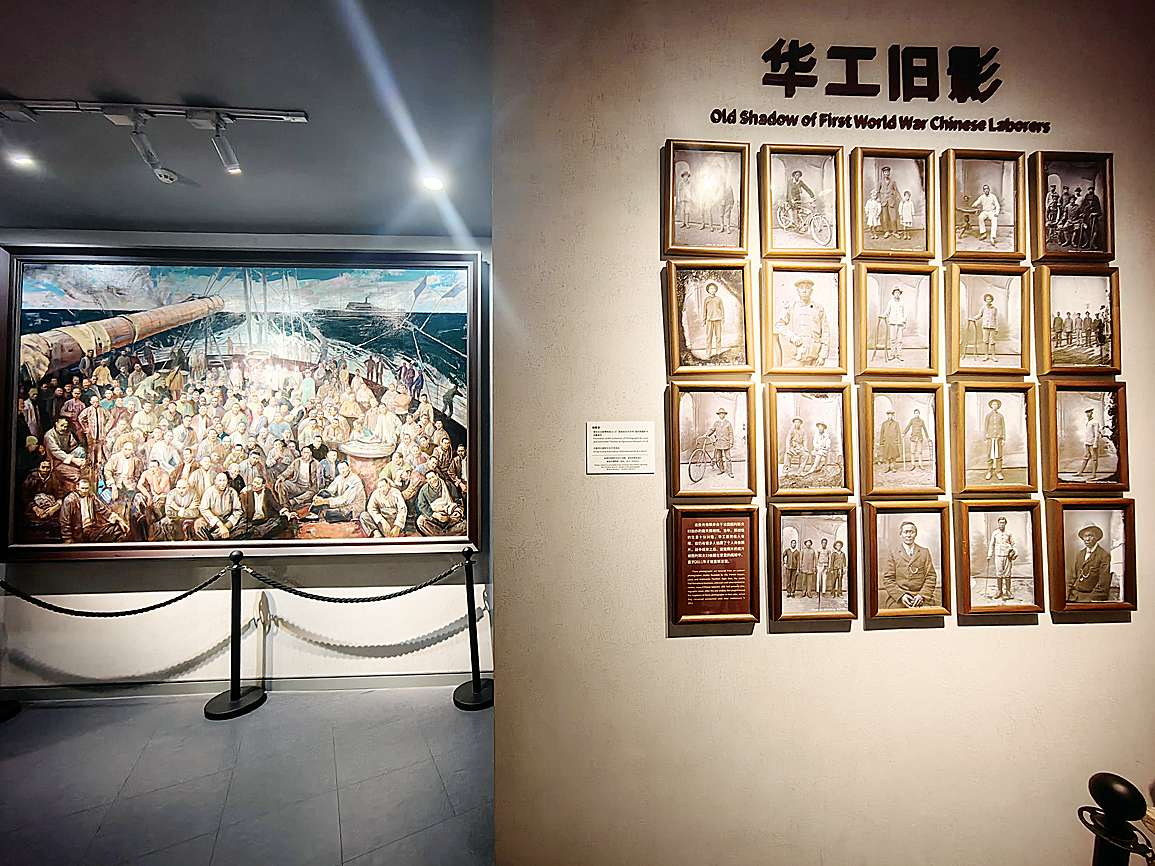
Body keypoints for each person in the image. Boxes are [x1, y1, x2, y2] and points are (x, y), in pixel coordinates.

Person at [879, 520, 938, 610]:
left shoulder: (924, 552)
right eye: (906, 532)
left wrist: (922, 595)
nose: (909, 535)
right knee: (895, 613)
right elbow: (888, 579)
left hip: (921, 596)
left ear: (915, 534)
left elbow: (931, 577)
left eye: (911, 532)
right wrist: (901, 595)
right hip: (899, 597)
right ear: (901, 534)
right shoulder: (893, 553)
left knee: (929, 612)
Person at [776, 278, 830, 368]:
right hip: (796, 356)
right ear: (797, 290)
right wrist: (792, 337)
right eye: (801, 288)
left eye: (807, 288)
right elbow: (779, 325)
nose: (804, 291)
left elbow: (825, 332)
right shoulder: (791, 306)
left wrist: (823, 355)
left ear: (811, 291)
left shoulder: (819, 308)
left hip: (815, 358)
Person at [59, 478, 128, 544]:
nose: (84, 491)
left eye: (86, 488)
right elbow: (65, 521)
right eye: (82, 488)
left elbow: (103, 510)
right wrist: (67, 538)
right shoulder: (70, 500)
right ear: (77, 487)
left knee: (118, 529)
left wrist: (119, 520)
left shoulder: (91, 496)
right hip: (79, 532)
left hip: (92, 529)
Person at [238, 475, 292, 539]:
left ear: (263, 486)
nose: (254, 485)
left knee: (280, 521)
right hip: (252, 520)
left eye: (257, 483)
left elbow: (275, 504)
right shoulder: (247, 493)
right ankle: (256, 532)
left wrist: (286, 512)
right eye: (254, 482)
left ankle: (258, 531)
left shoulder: (267, 492)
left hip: (265, 520)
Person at [1068, 524, 1112, 602]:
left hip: (1090, 598)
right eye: (1085, 536)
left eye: (1090, 535)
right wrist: (1068, 595)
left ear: (1097, 537)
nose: (1087, 539)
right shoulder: (1080, 554)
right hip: (1074, 596)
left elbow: (1103, 585)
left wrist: (1089, 600)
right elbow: (1073, 577)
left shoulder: (1104, 555)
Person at [195, 472, 244, 540]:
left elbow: (238, 510)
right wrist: (220, 524)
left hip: (228, 520)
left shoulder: (232, 492)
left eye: (224, 480)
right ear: (215, 481)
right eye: (220, 480)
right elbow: (204, 509)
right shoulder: (209, 492)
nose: (222, 483)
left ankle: (219, 536)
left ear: (227, 481)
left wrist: (227, 526)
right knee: (199, 523)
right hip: (212, 521)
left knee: (243, 525)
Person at [415, 471, 467, 536]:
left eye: (433, 477)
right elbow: (422, 506)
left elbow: (458, 500)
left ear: (437, 475)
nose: (432, 480)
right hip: (435, 518)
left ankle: (440, 535)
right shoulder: (423, 490)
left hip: (450, 516)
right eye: (429, 479)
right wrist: (434, 515)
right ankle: (446, 535)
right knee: (420, 521)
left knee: (465, 524)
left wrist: (457, 512)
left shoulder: (448, 484)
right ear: (427, 480)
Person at [359, 470, 408, 538]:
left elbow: (402, 509)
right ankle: (377, 533)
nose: (382, 489)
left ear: (388, 485)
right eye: (380, 487)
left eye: (383, 486)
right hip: (381, 520)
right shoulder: (376, 493)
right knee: (364, 515)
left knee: (393, 535)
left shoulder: (395, 492)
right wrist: (382, 520)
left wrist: (397, 526)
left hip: (393, 520)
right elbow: (371, 508)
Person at [987, 516, 1017, 600]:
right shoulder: (995, 533)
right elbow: (991, 544)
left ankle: (1008, 591)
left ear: (1005, 523)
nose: (1001, 524)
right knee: (999, 573)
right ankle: (999, 591)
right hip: (998, 555)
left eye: (1003, 523)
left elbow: (1013, 544)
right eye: (1000, 523)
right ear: (998, 523)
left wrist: (1014, 552)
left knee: (1007, 573)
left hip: (1007, 556)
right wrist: (989, 555)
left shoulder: (1009, 533)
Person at [983, 399, 1006, 481]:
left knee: (999, 456)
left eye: (996, 404)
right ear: (991, 406)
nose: (994, 406)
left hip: (998, 439)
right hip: (990, 438)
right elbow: (985, 427)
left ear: (998, 406)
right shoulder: (988, 415)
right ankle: (989, 472)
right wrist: (985, 438)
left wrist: (1003, 438)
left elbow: (1003, 427)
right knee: (989, 455)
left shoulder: (1001, 416)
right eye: (993, 404)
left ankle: (998, 472)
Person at [707, 407, 733, 478]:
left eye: (723, 414)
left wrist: (731, 442)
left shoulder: (728, 423)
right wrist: (706, 434)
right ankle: (721, 469)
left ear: (725, 414)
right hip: (718, 443)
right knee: (719, 457)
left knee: (728, 458)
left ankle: (730, 472)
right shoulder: (716, 423)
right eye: (720, 414)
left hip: (726, 442)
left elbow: (731, 433)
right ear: (718, 415)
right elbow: (712, 430)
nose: (721, 415)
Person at [972, 293, 998, 362]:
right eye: (987, 299)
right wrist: (974, 318)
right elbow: (980, 315)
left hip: (992, 327)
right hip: (985, 327)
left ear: (991, 300)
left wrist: (996, 328)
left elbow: (995, 319)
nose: (988, 300)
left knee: (992, 342)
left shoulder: (994, 309)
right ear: (985, 300)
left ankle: (993, 356)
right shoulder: (983, 308)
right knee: (985, 341)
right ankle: (986, 356)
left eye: (989, 299)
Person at [875, 165, 899, 238]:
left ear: (889, 173)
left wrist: (896, 198)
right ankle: (886, 231)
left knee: (893, 218)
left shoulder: (893, 182)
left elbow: (896, 191)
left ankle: (895, 232)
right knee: (885, 218)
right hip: (883, 202)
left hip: (891, 202)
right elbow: (877, 191)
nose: (886, 173)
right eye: (885, 172)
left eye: (887, 172)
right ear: (883, 173)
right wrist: (879, 199)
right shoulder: (880, 182)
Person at [1078, 407, 1103, 477]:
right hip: (1087, 442)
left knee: (1094, 458)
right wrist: (1085, 442)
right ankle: (1080, 472)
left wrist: (1095, 443)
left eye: (1089, 412)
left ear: (1092, 413)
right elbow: (1088, 433)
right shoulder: (1088, 422)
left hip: (1092, 443)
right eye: (1086, 412)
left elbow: (1096, 433)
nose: (1087, 414)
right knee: (1086, 457)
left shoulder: (1095, 422)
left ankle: (1094, 474)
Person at [702, 282, 725, 356]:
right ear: (708, 290)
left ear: (716, 290)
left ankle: (718, 352)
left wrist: (723, 319)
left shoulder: (719, 299)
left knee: (718, 337)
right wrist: (704, 320)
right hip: (709, 320)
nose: (712, 290)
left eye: (713, 288)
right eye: (711, 288)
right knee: (709, 337)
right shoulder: (706, 300)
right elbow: (704, 310)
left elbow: (722, 309)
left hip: (718, 320)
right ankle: (708, 353)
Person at [884, 287, 905, 361]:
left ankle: (899, 355)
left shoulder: (902, 303)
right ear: (893, 294)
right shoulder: (890, 302)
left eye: (898, 293)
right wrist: (884, 315)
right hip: (892, 322)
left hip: (900, 323)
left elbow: (904, 313)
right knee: (892, 339)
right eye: (896, 292)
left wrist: (904, 321)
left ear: (900, 294)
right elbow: (887, 311)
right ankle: (892, 354)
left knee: (899, 340)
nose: (897, 294)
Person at [877, 409, 902, 473]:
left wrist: (899, 441)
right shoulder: (884, 424)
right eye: (889, 415)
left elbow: (898, 432)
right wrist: (881, 442)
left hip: (893, 441)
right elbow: (882, 433)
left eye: (891, 415)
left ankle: (893, 467)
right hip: (886, 442)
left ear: (893, 416)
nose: (890, 416)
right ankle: (887, 467)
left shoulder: (896, 423)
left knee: (894, 455)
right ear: (887, 416)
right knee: (886, 455)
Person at [905, 408, 929, 472]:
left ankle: (920, 465)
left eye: (917, 413)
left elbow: (925, 429)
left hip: (919, 438)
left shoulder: (922, 421)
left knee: (920, 452)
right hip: (913, 438)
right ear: (914, 414)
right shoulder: (912, 420)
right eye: (915, 413)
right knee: (912, 452)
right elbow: (908, 427)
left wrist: (927, 437)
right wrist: (904, 433)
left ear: (919, 414)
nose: (916, 414)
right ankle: (913, 465)